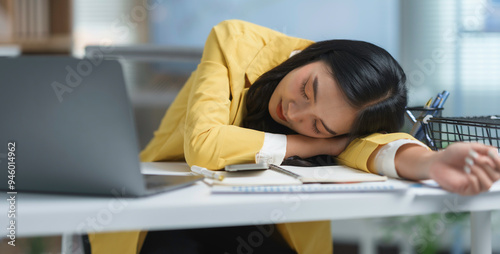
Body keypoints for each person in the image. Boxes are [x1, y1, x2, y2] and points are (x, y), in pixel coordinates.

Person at [88, 20, 500, 254]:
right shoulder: (233, 42)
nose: (296, 112)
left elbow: (371, 148)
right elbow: (204, 144)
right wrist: (307, 143)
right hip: (170, 210)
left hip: (261, 226)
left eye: (320, 126)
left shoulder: (345, 127)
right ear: (316, 53)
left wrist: (430, 162)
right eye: (308, 88)